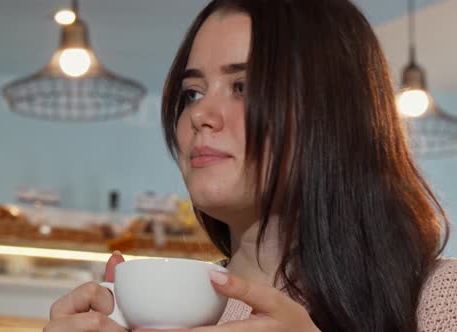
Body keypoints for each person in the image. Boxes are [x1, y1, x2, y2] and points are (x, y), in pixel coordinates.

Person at [45, 0, 457, 331]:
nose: (200, 114)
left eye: (243, 87)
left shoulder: (440, 299)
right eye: (191, 92)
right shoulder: (151, 313)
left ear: (334, 114)